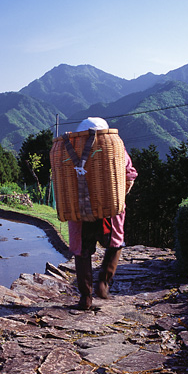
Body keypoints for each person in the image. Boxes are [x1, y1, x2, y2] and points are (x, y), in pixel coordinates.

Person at [67, 117, 137, 310]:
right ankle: (103, 282)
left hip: (81, 213)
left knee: (82, 252)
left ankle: (85, 297)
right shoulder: (116, 148)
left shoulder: (69, 150)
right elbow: (130, 173)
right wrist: (119, 195)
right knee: (115, 244)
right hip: (109, 212)